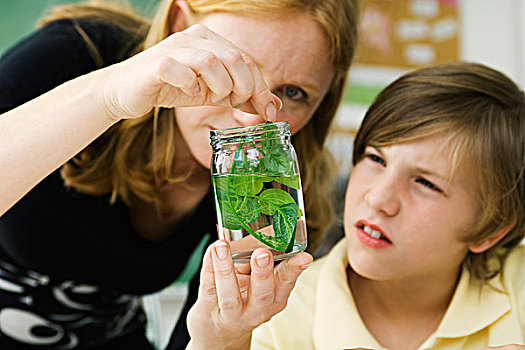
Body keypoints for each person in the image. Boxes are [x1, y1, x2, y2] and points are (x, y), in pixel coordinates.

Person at [0, 0, 359, 348]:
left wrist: (220, 338)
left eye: (293, 93)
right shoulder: (74, 55)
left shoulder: (276, 193)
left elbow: (199, 337)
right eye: (232, 69)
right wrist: (108, 98)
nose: (252, 118)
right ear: (179, 26)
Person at [186, 62, 525, 350]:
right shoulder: (276, 309)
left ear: (491, 230)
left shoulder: (517, 283)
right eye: (376, 158)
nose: (378, 199)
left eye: (426, 183)